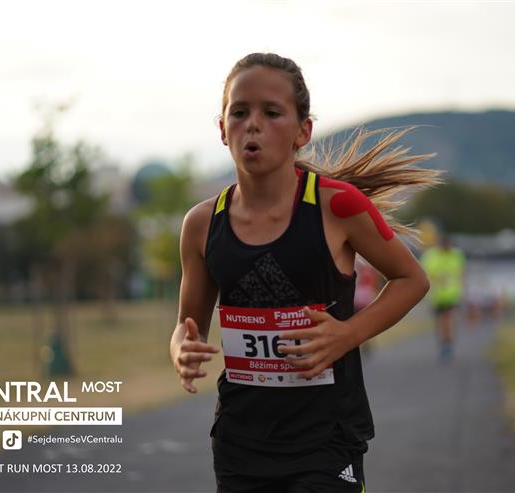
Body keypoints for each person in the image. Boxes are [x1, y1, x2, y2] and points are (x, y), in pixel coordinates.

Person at [169, 52, 437, 492]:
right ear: (222, 129)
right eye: (239, 112)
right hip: (240, 441)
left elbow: (412, 279)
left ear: (303, 131)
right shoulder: (202, 223)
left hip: (326, 439)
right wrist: (181, 349)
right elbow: (187, 325)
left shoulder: (337, 206)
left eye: (272, 113)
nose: (253, 125)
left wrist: (347, 334)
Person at [420, 235, 466, 363]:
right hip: (436, 296)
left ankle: (447, 344)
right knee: (439, 323)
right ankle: (444, 343)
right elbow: (424, 274)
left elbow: (462, 273)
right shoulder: (430, 256)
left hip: (451, 295)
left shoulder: (456, 255)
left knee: (448, 320)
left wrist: (462, 290)